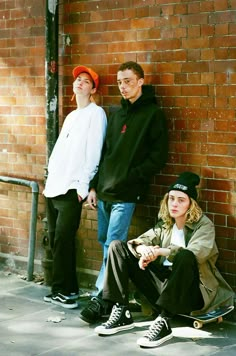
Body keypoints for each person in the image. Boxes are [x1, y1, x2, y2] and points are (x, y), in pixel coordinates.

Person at [93, 172, 234, 348]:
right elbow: (140, 240)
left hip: (191, 292)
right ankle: (121, 311)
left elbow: (196, 253)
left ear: (191, 203)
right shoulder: (166, 223)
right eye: (171, 198)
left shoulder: (204, 225)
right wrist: (143, 250)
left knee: (185, 256)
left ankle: (164, 322)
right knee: (117, 247)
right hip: (165, 288)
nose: (174, 204)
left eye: (181, 200)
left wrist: (160, 251)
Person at [80, 61, 168, 322]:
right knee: (104, 243)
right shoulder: (116, 114)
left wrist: (133, 177)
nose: (123, 86)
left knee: (112, 244)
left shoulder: (153, 114)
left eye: (128, 80)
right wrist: (94, 186)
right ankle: (113, 294)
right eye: (120, 82)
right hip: (105, 191)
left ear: (141, 81)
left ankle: (102, 299)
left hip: (127, 193)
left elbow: (158, 156)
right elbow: (105, 153)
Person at [43, 65, 107, 308]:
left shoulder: (96, 113)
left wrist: (85, 186)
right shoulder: (71, 116)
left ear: (93, 89)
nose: (80, 83)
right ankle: (60, 288)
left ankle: (68, 291)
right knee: (57, 239)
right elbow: (60, 152)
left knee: (64, 239)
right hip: (54, 187)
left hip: (72, 189)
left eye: (86, 81)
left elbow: (93, 153)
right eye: (78, 79)